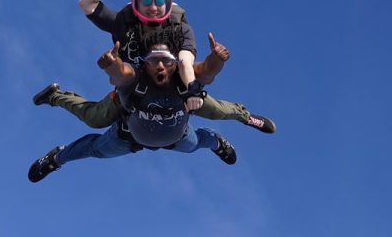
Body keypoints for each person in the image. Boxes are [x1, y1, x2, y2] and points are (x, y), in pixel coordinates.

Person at [32, 0, 276, 134]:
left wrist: (193, 90)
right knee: (95, 118)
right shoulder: (124, 22)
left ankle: (244, 116)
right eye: (146, 2)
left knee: (215, 109)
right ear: (135, 0)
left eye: (160, 2)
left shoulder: (178, 27)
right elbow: (86, 4)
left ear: (169, 4)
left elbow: (185, 61)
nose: (154, 8)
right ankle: (55, 96)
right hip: (134, 83)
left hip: (174, 80)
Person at [28, 44, 237, 183]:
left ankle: (219, 142)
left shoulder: (185, 83)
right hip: (129, 135)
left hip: (176, 136)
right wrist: (112, 65)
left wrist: (217, 59)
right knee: (93, 135)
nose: (161, 67)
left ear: (176, 66)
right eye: (154, 61)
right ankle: (57, 155)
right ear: (145, 65)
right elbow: (123, 74)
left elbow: (207, 76)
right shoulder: (137, 79)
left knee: (201, 139)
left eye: (167, 62)